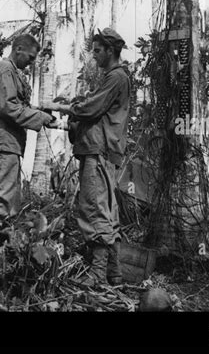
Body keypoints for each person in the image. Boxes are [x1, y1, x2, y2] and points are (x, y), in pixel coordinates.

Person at [42, 28, 131, 287]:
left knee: (93, 209)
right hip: (101, 151)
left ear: (110, 51)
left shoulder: (115, 77)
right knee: (106, 212)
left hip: (98, 153)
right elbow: (96, 116)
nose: (94, 56)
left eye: (97, 51)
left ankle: (97, 274)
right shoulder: (113, 78)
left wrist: (59, 107)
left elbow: (91, 109)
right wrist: (61, 123)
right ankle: (114, 274)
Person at [0, 33, 57, 268]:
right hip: (2, 141)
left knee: (9, 198)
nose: (30, 63)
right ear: (18, 48)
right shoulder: (5, 69)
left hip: (9, 142)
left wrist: (42, 113)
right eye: (30, 58)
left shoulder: (12, 73)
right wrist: (40, 116)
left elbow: (16, 105)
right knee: (0, 193)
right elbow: (6, 106)